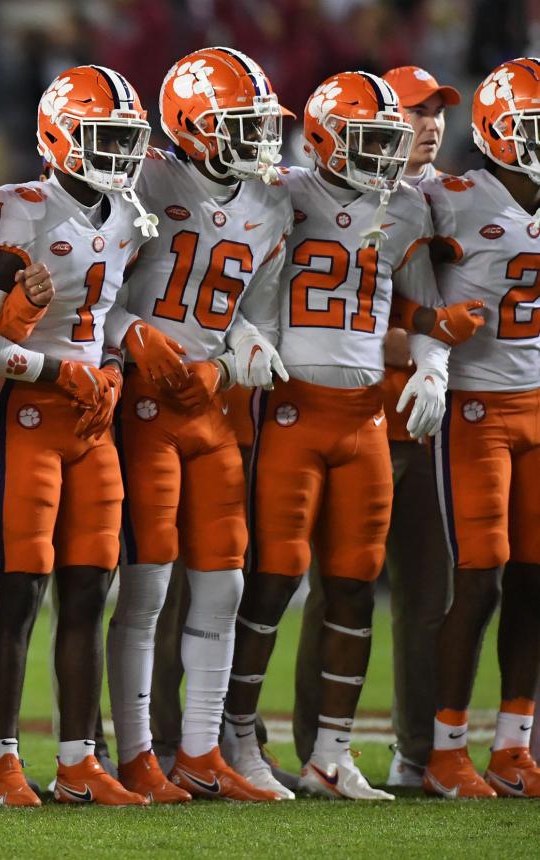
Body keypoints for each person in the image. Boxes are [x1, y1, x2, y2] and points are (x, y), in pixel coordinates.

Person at [223, 71, 449, 801]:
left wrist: (434, 370)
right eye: (370, 139)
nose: (386, 154)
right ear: (321, 137)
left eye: (390, 140)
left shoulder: (408, 206)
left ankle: (332, 753)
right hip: (292, 409)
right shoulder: (280, 191)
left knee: (354, 586)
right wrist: (246, 337)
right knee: (275, 578)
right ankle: (238, 734)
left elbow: (428, 314)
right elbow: (228, 284)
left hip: (367, 423)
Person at [104, 46, 291, 803]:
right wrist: (128, 332)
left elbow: (259, 317)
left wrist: (237, 350)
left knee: (224, 581)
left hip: (208, 406)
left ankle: (201, 751)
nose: (256, 140)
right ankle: (139, 753)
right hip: (143, 405)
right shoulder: (144, 177)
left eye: (258, 125)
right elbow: (92, 289)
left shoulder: (272, 203)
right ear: (190, 124)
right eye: (237, 125)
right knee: (145, 585)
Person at [0, 64, 150, 807]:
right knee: (19, 588)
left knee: (87, 590)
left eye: (124, 139)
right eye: (101, 136)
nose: (115, 154)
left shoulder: (130, 216)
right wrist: (55, 372)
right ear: (59, 134)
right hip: (28, 414)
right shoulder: (13, 210)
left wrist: (107, 370)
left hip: (90, 419)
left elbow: (106, 325)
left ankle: (79, 756)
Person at [289, 64, 464, 789]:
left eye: (435, 112)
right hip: (339, 413)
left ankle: (417, 755)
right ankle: (306, 750)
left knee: (428, 596)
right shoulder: (312, 194)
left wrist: (433, 356)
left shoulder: (451, 199)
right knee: (311, 588)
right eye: (412, 113)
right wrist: (408, 343)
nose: (427, 125)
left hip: (426, 425)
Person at [422, 57, 540, 799]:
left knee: (535, 578)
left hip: (539, 404)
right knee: (481, 580)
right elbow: (398, 277)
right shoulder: (453, 199)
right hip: (474, 409)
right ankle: (445, 748)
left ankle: (512, 743)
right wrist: (429, 354)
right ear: (500, 131)